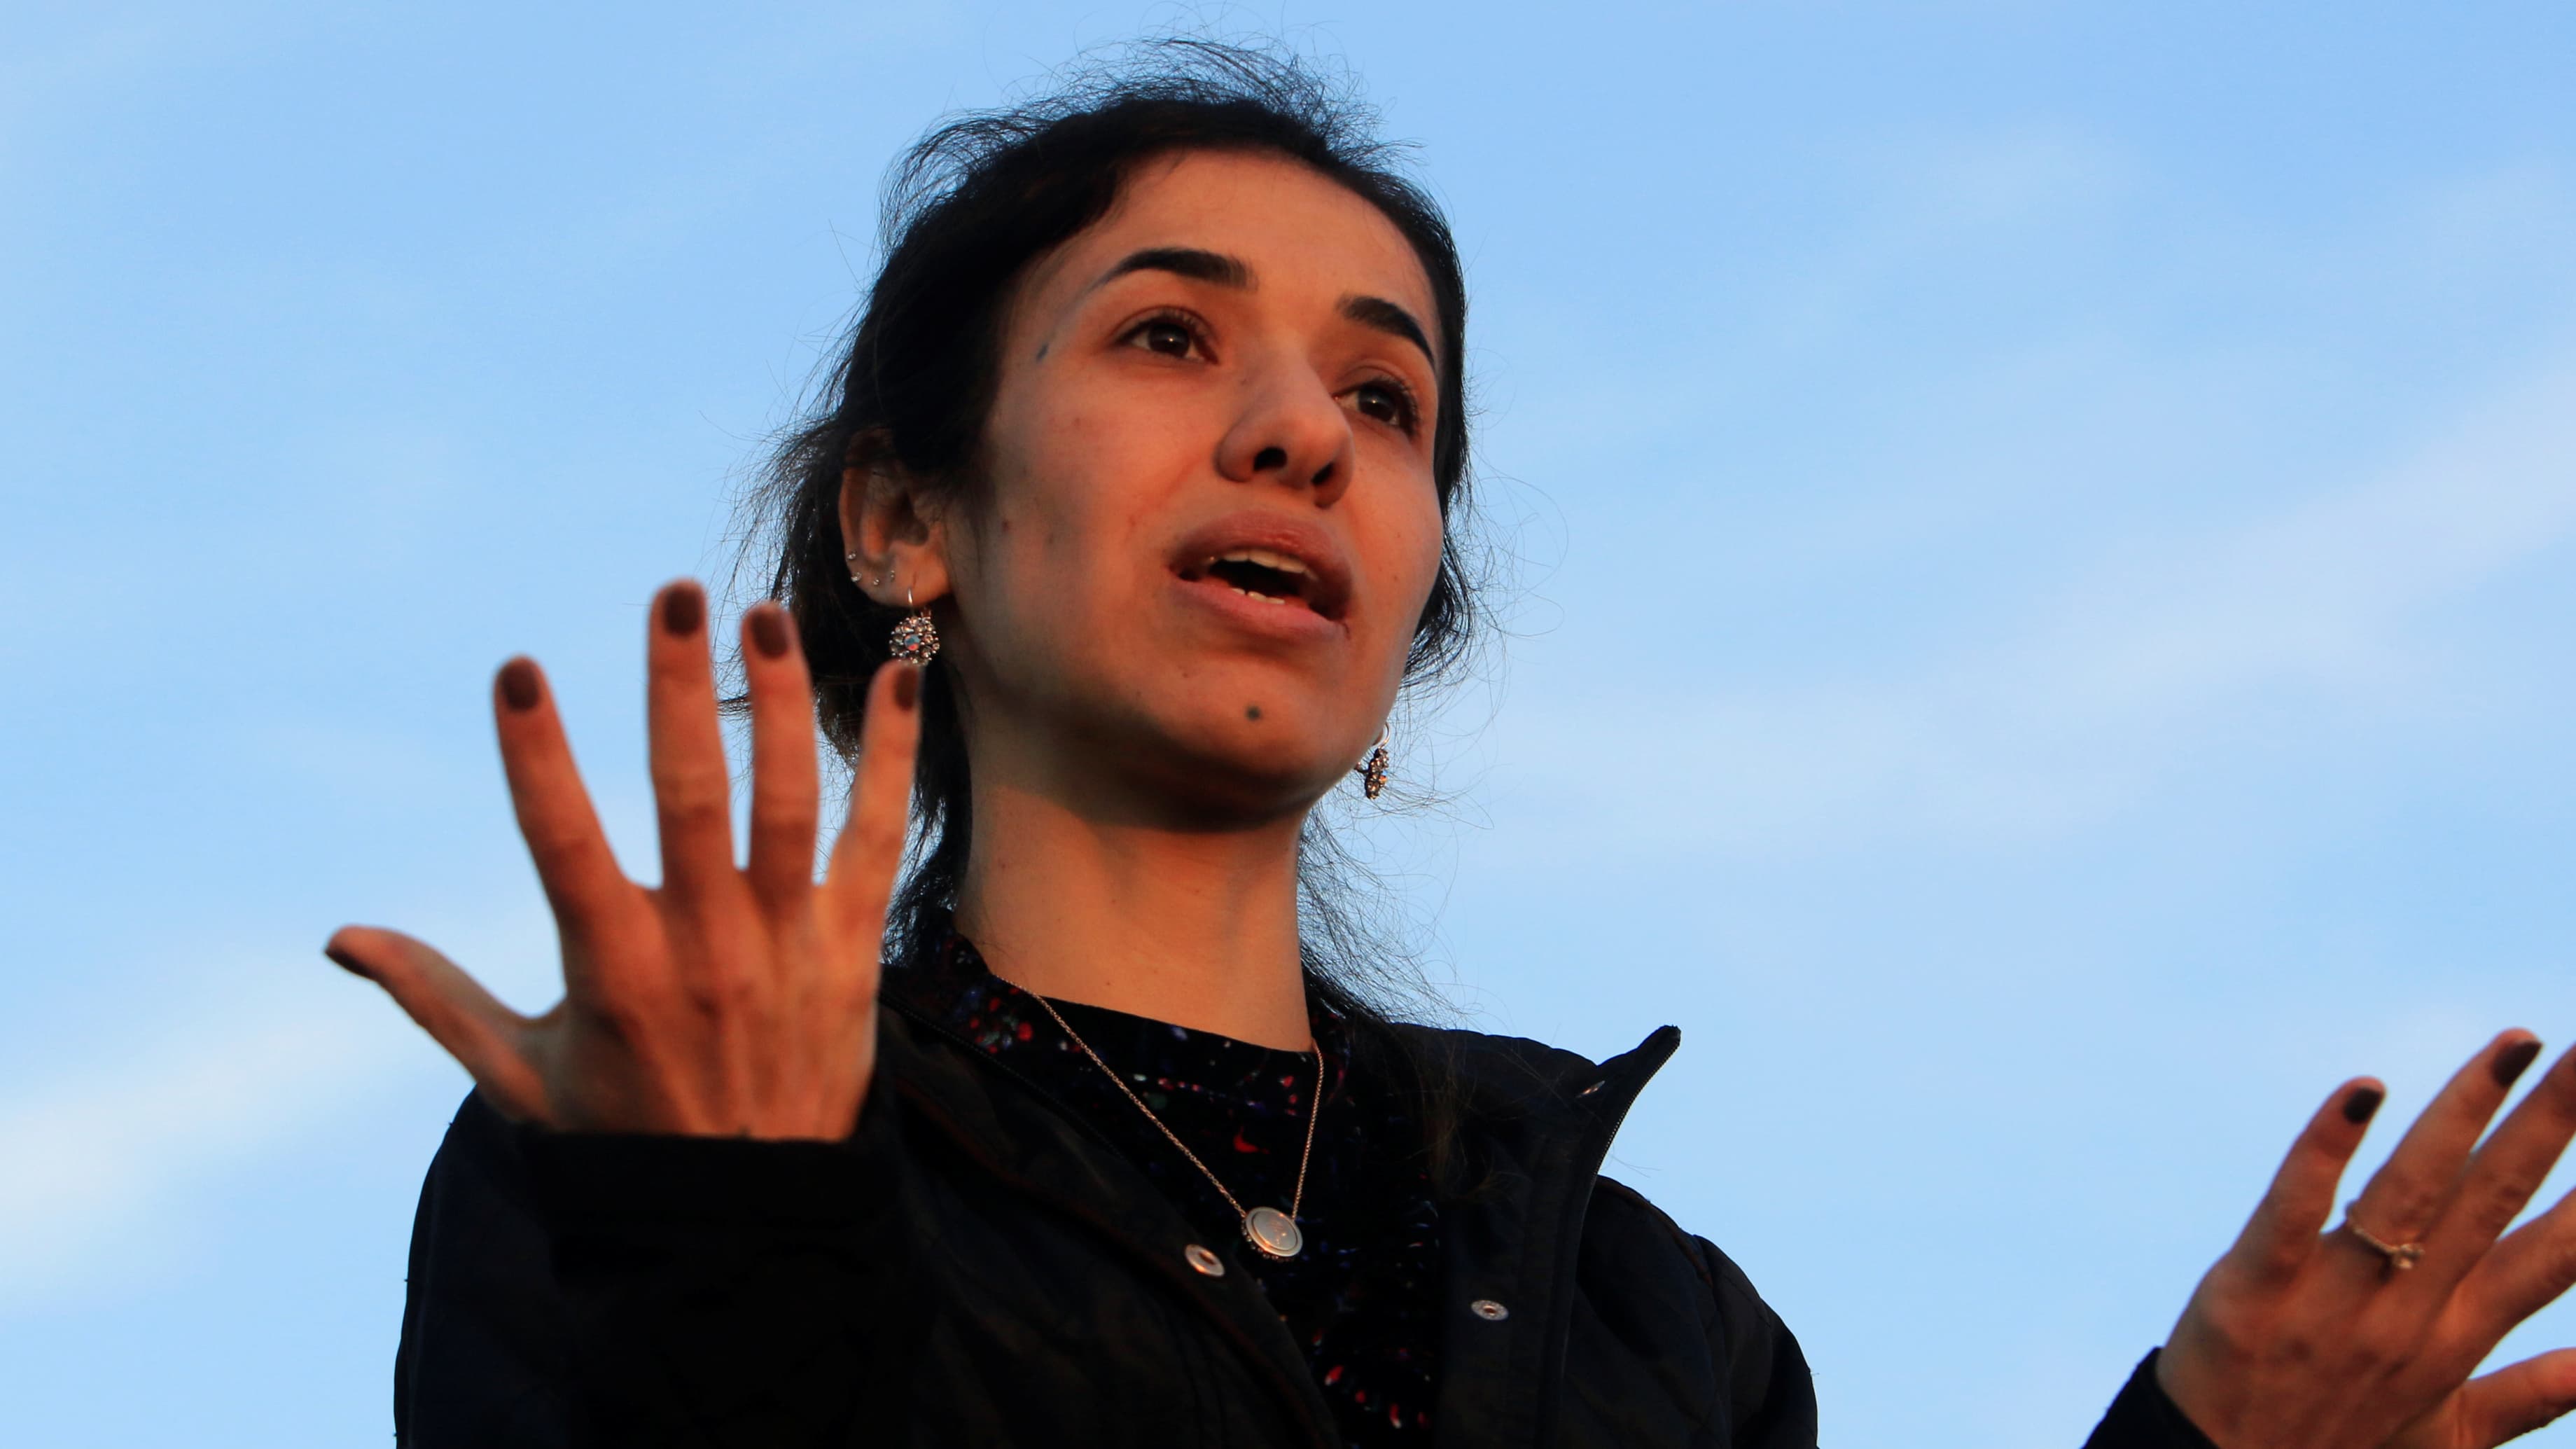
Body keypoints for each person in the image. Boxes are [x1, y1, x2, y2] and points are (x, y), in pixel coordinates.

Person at [328, 41, 2576, 1449]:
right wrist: (725, 1235)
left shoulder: (1648, 1308)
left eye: (1384, 400)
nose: (1301, 428)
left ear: (1411, 612)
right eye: (1169, 332)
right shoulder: (658, 1158)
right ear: (909, 520)